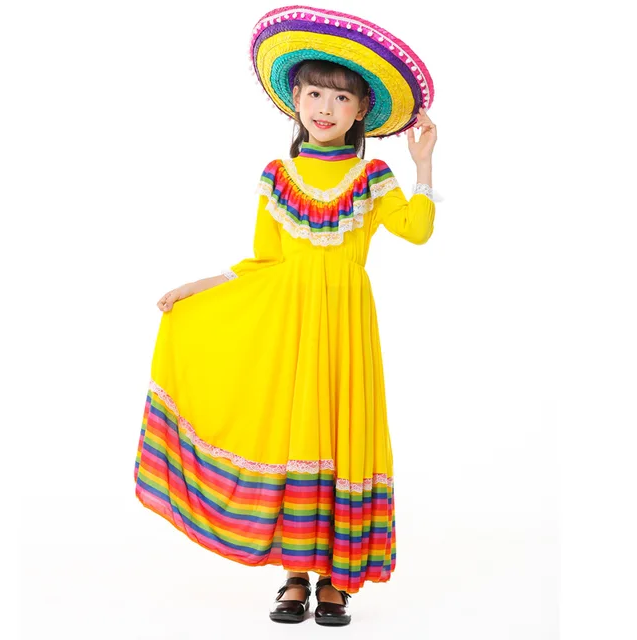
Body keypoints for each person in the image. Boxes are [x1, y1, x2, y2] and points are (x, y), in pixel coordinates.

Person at [134, 5, 441, 627]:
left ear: (362, 111)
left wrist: (424, 164)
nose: (326, 107)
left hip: (347, 327)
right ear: (295, 100)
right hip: (291, 328)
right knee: (295, 434)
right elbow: (265, 262)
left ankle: (336, 581)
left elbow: (417, 230)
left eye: (341, 97)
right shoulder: (278, 176)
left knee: (341, 434)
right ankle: (295, 575)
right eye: (315, 94)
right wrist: (199, 288)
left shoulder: (372, 175)